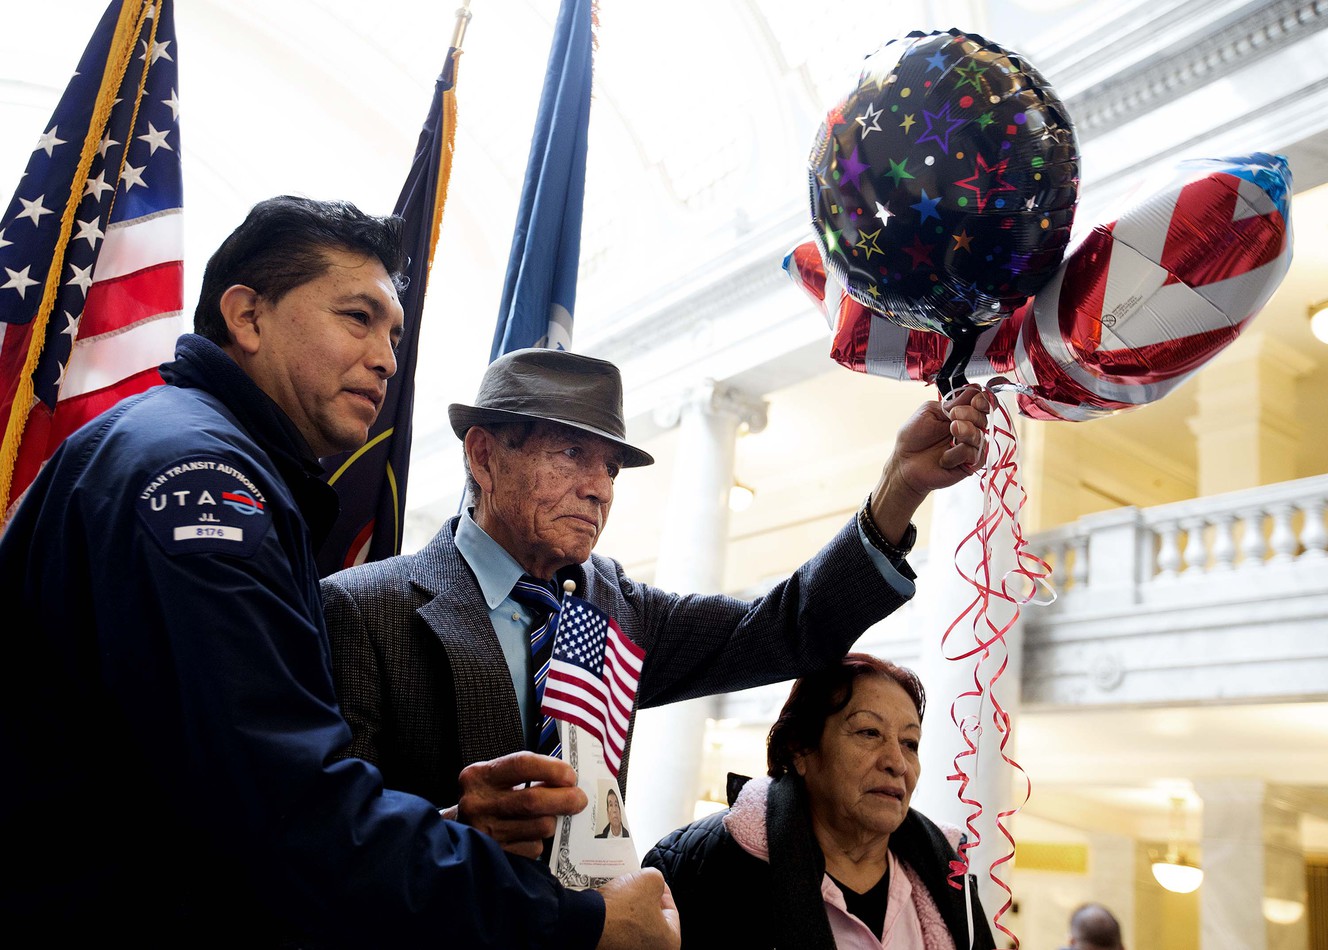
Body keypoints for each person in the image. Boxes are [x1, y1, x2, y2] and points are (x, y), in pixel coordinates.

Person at [0, 196, 677, 949]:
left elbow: (208, 788)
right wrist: (581, 920)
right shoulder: (204, 483)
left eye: (393, 332)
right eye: (357, 318)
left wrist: (446, 829)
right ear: (248, 317)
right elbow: (287, 818)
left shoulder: (192, 454)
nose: (388, 357)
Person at [323, 346, 991, 858]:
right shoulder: (363, 610)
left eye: (610, 468)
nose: (598, 489)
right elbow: (320, 842)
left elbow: (785, 630)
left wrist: (900, 487)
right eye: (570, 453)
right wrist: (455, 830)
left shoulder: (613, 606)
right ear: (485, 456)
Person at [642, 653, 996, 949]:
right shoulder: (698, 866)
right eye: (868, 732)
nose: (897, 763)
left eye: (910, 743)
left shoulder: (952, 876)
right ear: (801, 749)